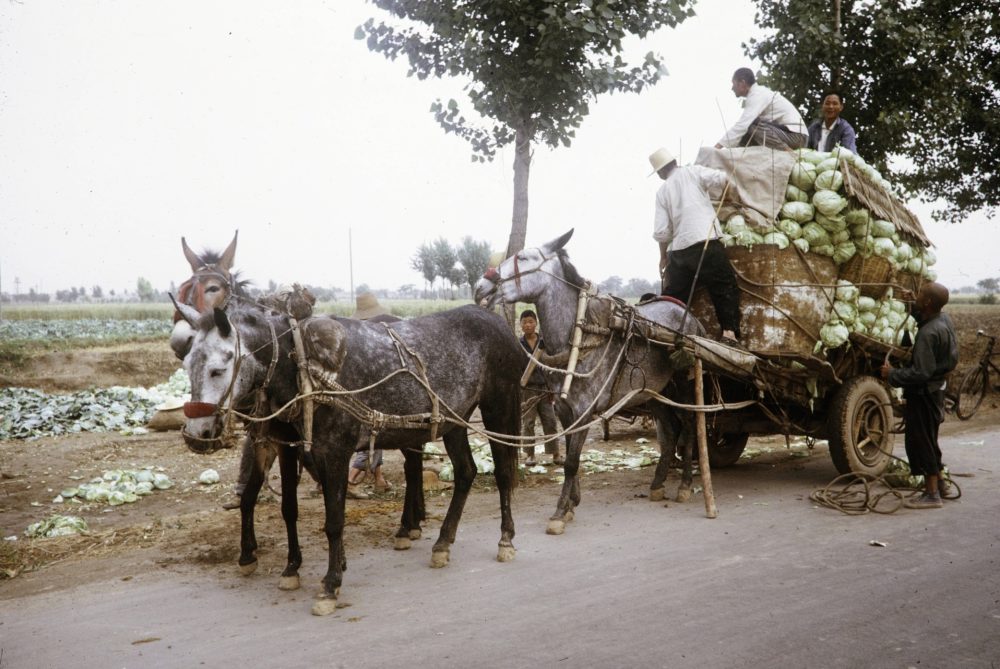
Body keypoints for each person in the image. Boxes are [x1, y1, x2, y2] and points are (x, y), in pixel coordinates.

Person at [649, 147, 741, 343]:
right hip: (705, 241)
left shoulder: (662, 191)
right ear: (674, 162)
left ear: (660, 172)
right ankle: (729, 334)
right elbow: (724, 178)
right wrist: (730, 197)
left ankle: (660, 329)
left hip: (680, 252)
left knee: (676, 295)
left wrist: (663, 257)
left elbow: (662, 232)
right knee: (724, 284)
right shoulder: (693, 171)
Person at [880, 282, 959, 509]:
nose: (917, 295)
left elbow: (921, 372)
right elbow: (923, 317)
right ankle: (941, 484)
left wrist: (892, 373)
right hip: (936, 390)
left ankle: (932, 494)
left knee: (920, 441)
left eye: (921, 294)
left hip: (923, 393)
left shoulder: (926, 334)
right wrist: (910, 304)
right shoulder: (943, 321)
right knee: (929, 438)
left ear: (928, 303)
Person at [346, 292, 400, 499]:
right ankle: (350, 480)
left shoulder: (355, 337)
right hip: (368, 396)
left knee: (376, 436)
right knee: (372, 435)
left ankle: (378, 479)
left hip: (362, 394)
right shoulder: (371, 340)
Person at [715, 67, 807, 151]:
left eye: (733, 84)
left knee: (752, 125)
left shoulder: (757, 94)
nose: (732, 88)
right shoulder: (757, 94)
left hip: (797, 137)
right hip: (786, 134)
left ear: (742, 83)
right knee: (745, 137)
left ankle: (787, 151)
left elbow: (742, 125)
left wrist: (717, 147)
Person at [518, 309, 562, 466]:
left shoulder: (544, 343)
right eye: (525, 322)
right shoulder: (519, 345)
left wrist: (551, 388)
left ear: (536, 323)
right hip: (528, 389)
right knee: (528, 423)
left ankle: (555, 453)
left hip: (545, 388)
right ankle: (530, 455)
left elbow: (550, 365)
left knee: (550, 420)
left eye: (531, 321)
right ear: (521, 325)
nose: (528, 325)